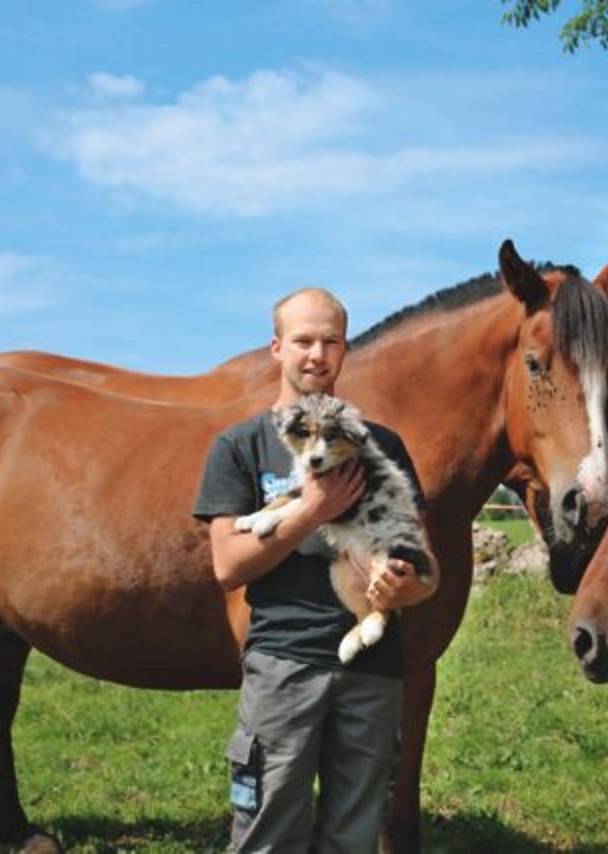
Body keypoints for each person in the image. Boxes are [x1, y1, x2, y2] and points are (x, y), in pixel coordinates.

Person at [193, 287, 436, 852]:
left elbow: (428, 572)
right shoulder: (242, 446)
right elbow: (227, 566)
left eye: (330, 342)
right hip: (283, 669)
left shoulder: (384, 447)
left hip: (373, 673)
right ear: (276, 348)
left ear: (345, 350)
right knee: (267, 835)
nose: (316, 355)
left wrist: (409, 585)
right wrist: (310, 513)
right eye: (302, 340)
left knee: (353, 838)